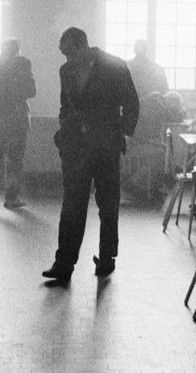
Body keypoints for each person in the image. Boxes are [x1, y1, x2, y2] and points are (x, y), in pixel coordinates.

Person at [42, 27, 140, 282]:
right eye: (64, 55)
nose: (66, 60)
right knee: (72, 205)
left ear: (82, 45)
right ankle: (64, 263)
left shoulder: (115, 66)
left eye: (69, 53)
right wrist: (66, 127)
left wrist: (120, 134)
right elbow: (65, 104)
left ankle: (107, 258)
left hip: (106, 146)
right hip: (76, 147)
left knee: (108, 205)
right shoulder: (66, 70)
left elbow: (132, 104)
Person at [0, 39, 36, 209]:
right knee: (15, 158)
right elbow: (31, 91)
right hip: (17, 116)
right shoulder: (23, 63)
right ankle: (11, 197)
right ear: (17, 50)